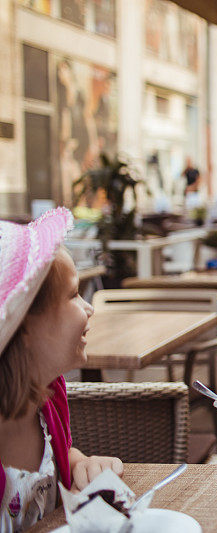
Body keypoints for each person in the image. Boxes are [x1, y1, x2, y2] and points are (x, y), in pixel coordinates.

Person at [0, 208, 123, 531]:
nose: (89, 308)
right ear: (23, 326)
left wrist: (82, 463)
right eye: (73, 295)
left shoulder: (47, 396)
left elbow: (58, 457)